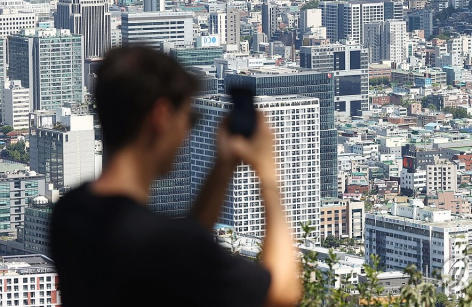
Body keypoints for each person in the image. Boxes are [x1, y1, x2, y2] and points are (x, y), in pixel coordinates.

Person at [50, 46, 301, 307]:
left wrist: (223, 166)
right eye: (190, 118)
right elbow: (282, 293)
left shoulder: (71, 213)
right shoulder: (165, 244)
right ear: (161, 117)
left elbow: (189, 248)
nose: (187, 132)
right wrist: (268, 175)